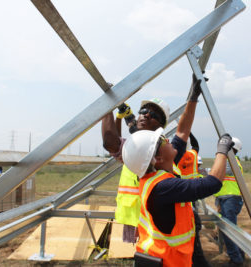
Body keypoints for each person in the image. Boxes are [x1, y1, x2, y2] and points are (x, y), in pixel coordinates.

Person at [101, 77, 202, 243]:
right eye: (143, 111)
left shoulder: (164, 147)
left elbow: (183, 131)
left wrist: (192, 99)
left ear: (161, 124)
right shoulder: (133, 146)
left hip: (166, 220)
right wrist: (108, 105)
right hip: (143, 218)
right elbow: (110, 142)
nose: (145, 115)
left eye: (153, 114)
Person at [122, 128, 235, 267]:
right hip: (168, 262)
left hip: (158, 258)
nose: (168, 140)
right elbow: (212, 183)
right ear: (158, 158)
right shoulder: (163, 187)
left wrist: (192, 105)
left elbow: (181, 136)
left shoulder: (153, 179)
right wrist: (222, 150)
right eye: (162, 140)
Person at [177, 133, 211, 266]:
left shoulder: (174, 158)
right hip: (191, 197)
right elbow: (196, 145)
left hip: (179, 199)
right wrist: (189, 133)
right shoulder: (192, 155)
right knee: (193, 233)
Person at [213, 137, 245, 267]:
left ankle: (236, 260)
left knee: (229, 230)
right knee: (230, 229)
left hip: (230, 199)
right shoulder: (229, 161)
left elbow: (218, 171)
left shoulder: (231, 162)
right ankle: (239, 253)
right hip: (225, 199)